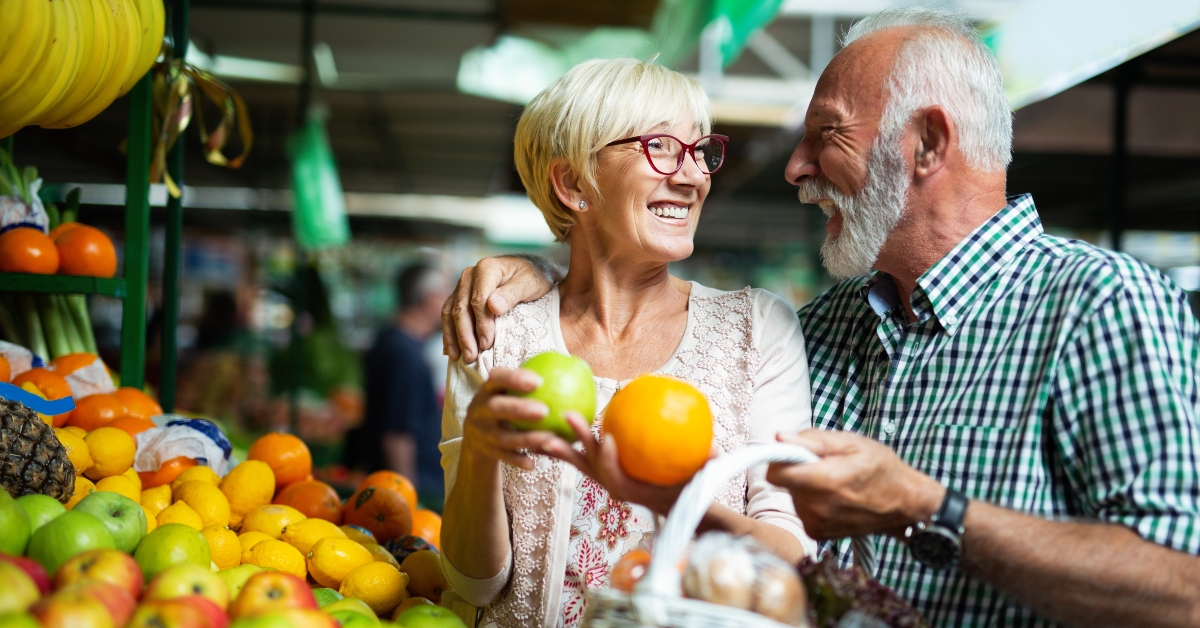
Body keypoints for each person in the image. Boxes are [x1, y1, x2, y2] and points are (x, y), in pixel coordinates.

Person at [440, 9, 1200, 628]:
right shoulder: (828, 327)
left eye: (825, 134)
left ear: (927, 143)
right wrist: (533, 272)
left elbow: (1183, 589)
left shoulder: (1104, 306)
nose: (795, 168)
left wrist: (931, 511)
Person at [439, 58, 815, 628]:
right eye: (661, 147)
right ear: (571, 184)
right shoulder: (498, 330)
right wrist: (484, 456)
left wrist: (682, 502)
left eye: (699, 151)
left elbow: (794, 562)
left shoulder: (756, 329)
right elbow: (474, 581)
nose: (692, 177)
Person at [344, 263, 450, 510]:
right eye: (446, 293)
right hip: (412, 490)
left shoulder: (393, 342)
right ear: (429, 298)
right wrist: (408, 502)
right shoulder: (404, 354)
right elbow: (397, 436)